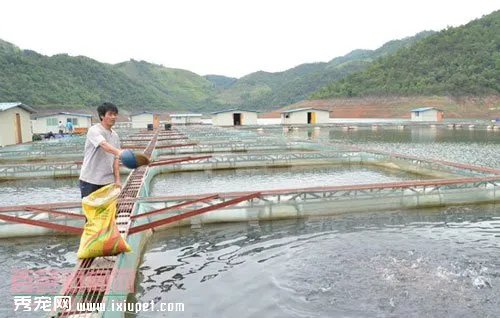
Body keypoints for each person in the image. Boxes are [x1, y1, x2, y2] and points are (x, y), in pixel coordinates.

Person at [79, 102, 124, 198]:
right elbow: (104, 145)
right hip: (90, 180)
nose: (113, 117)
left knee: (108, 211)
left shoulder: (115, 136)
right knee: (91, 211)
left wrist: (117, 180)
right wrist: (120, 152)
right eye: (110, 114)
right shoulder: (94, 130)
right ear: (102, 116)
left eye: (115, 114)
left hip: (108, 181)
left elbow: (116, 160)